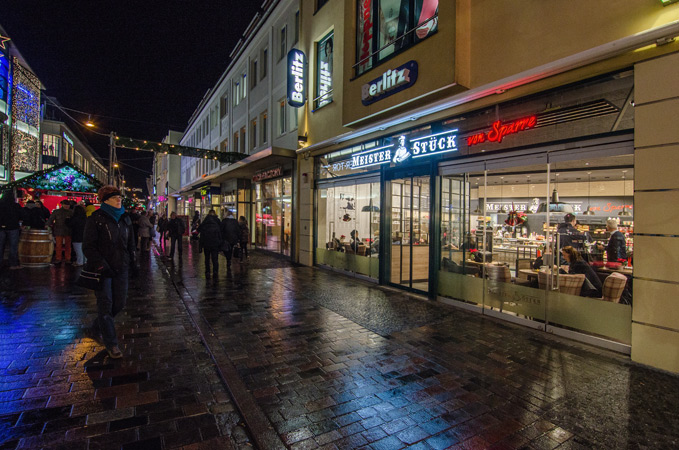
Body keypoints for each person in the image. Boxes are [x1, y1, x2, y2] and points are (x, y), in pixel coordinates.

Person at [83, 185, 138, 359]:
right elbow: (88, 246)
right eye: (114, 197)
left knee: (119, 303)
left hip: (122, 267)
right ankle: (111, 343)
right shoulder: (96, 219)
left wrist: (133, 262)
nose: (118, 199)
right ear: (105, 200)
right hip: (103, 270)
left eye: (119, 197)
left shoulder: (125, 218)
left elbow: (131, 243)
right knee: (105, 304)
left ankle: (97, 326)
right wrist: (100, 264)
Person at [0, 190, 24, 270]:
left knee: (0, 246)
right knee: (13, 246)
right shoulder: (15, 205)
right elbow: (22, 215)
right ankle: (13, 264)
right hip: (13, 227)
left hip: (1, 227)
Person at [47, 200, 73, 264]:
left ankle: (60, 258)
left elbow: (51, 219)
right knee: (63, 246)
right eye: (66, 205)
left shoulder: (57, 212)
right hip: (65, 230)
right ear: (62, 205)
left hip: (61, 230)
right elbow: (51, 219)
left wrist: (47, 225)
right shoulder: (71, 212)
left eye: (68, 205)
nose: (67, 206)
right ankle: (64, 258)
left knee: (62, 245)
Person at [198, 209, 222, 277]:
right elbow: (220, 234)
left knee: (207, 258)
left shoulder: (205, 222)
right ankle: (215, 271)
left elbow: (200, 233)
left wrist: (200, 246)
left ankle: (207, 271)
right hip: (215, 243)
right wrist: (220, 243)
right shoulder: (217, 222)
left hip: (206, 243)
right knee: (215, 258)